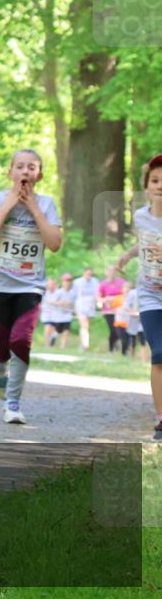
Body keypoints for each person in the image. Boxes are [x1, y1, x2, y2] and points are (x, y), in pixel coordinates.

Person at [0, 149, 62, 424]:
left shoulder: (47, 204)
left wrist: (34, 209)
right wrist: (10, 203)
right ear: (10, 172)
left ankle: (13, 403)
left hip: (30, 285)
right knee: (2, 346)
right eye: (20, 167)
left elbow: (54, 243)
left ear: (39, 175)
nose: (25, 172)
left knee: (21, 341)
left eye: (32, 167)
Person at [116, 153, 162, 440]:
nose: (160, 186)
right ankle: (161, 418)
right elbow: (143, 242)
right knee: (158, 354)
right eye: (155, 181)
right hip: (150, 294)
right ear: (147, 187)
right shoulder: (142, 216)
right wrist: (126, 255)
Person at [98, 265, 126, 353]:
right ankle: (111, 349)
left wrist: (115, 298)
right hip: (108, 311)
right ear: (106, 272)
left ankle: (118, 346)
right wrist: (105, 300)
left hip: (120, 310)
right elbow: (98, 297)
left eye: (113, 271)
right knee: (112, 329)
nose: (111, 273)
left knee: (119, 329)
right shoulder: (103, 284)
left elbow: (127, 293)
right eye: (109, 271)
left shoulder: (121, 282)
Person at [73, 267, 99, 351]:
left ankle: (82, 343)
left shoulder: (95, 281)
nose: (89, 276)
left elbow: (97, 294)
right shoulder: (77, 282)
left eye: (90, 274)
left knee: (86, 326)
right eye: (87, 274)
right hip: (81, 306)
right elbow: (74, 295)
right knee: (84, 325)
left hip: (91, 306)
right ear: (84, 273)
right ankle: (85, 344)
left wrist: (99, 303)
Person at [40, 278, 59, 347]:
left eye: (52, 284)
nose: (50, 286)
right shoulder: (44, 293)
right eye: (49, 284)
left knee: (54, 331)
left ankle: (52, 343)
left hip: (56, 314)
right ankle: (47, 345)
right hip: (46, 314)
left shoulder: (58, 292)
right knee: (47, 328)